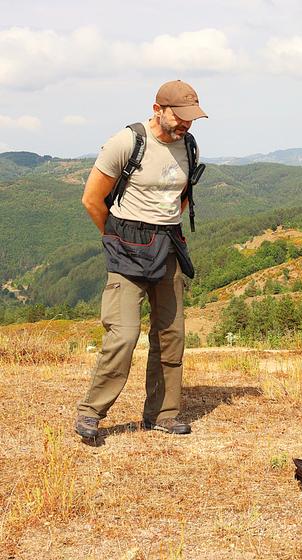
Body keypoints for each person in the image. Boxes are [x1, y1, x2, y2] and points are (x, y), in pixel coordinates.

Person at [75, 80, 207, 438]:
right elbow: (92, 199)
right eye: (179, 117)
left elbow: (181, 196)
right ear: (157, 109)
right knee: (123, 334)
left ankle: (163, 414)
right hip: (126, 247)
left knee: (171, 335)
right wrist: (116, 238)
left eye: (191, 118)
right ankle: (91, 412)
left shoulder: (189, 145)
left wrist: (166, 225)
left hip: (168, 246)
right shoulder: (127, 142)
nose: (185, 124)